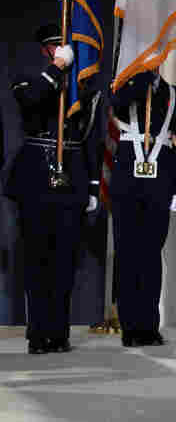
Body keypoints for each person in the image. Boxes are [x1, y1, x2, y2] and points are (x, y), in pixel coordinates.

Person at [7, 23, 101, 354]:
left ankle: (58, 333)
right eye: (53, 47)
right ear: (46, 50)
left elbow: (89, 137)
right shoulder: (28, 75)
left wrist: (92, 185)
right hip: (36, 174)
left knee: (64, 261)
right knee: (37, 260)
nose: (58, 51)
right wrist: (55, 69)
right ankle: (38, 333)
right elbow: (31, 101)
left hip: (71, 176)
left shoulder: (82, 87)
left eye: (62, 48)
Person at [109, 66, 176, 347]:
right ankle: (130, 327)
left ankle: (149, 326)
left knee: (152, 256)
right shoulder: (124, 88)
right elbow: (116, 105)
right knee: (128, 254)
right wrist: (140, 81)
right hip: (127, 183)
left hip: (159, 182)